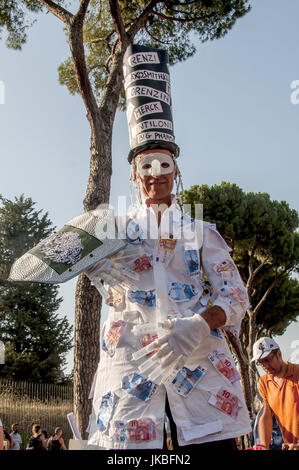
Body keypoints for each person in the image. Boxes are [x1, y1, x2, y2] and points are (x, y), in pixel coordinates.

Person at [85, 44, 251, 450]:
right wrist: (92, 266)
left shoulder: (201, 233)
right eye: (146, 166)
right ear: (132, 174)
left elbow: (236, 295)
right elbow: (58, 260)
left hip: (203, 390)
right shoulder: (110, 229)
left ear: (177, 173)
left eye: (164, 165)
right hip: (129, 385)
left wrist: (200, 324)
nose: (155, 175)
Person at [252, 337, 299, 450]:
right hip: (290, 446)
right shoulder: (264, 382)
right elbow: (266, 415)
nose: (265, 366)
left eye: (267, 360)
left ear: (279, 354)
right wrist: (264, 446)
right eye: (261, 363)